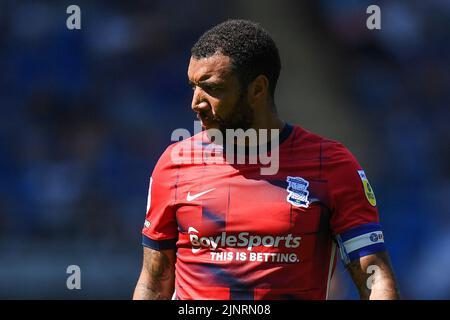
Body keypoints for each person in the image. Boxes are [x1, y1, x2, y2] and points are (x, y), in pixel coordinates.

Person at [133, 19, 400, 300]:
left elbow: (375, 277)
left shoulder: (331, 165)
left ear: (257, 89)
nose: (196, 102)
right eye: (193, 86)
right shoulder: (174, 164)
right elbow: (154, 282)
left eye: (212, 88)